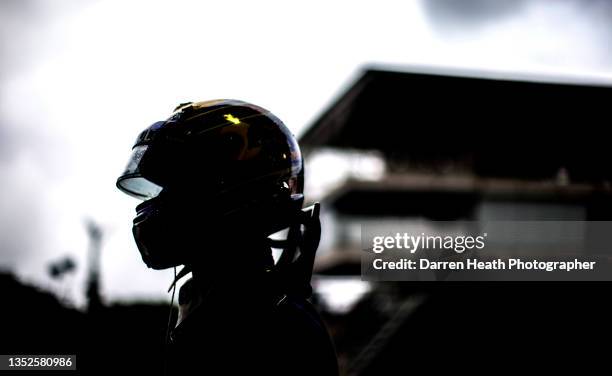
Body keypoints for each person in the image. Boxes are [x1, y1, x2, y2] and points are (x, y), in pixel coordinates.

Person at [116, 100, 338, 375]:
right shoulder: (214, 302)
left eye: (177, 187)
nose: (159, 203)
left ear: (227, 190)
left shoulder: (268, 323)